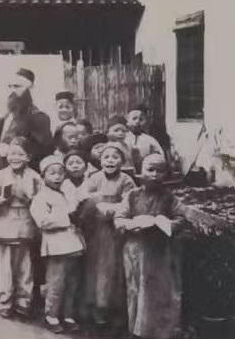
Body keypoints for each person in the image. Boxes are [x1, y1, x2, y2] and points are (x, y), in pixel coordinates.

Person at [114, 154, 188, 339]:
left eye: (160, 171)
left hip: (161, 251)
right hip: (136, 249)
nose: (155, 175)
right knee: (136, 289)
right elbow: (119, 218)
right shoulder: (132, 196)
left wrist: (167, 224)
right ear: (140, 172)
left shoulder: (168, 197)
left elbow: (180, 218)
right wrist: (132, 224)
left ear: (166, 174)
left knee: (162, 291)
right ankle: (137, 330)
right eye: (150, 169)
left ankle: (162, 331)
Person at [77, 142, 136, 331]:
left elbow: (131, 201)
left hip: (116, 230)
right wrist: (95, 202)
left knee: (114, 269)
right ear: (100, 161)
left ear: (122, 161)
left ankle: (114, 309)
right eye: (106, 157)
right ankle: (96, 310)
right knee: (96, 268)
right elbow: (83, 197)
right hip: (96, 230)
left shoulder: (126, 180)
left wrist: (113, 209)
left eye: (115, 157)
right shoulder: (94, 178)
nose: (110, 160)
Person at [0, 137, 42, 318]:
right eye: (12, 154)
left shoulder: (35, 177)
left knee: (25, 267)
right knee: (5, 268)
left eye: (20, 154)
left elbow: (43, 199)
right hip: (4, 223)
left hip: (25, 223)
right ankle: (5, 302)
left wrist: (32, 200)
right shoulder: (1, 175)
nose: (15, 158)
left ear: (29, 157)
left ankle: (23, 301)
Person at [30, 155, 85, 334]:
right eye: (52, 173)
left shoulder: (66, 193)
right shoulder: (40, 197)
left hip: (73, 245)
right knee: (56, 282)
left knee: (73, 281)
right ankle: (51, 315)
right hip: (55, 246)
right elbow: (43, 221)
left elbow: (75, 211)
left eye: (60, 173)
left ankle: (68, 314)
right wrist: (67, 217)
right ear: (43, 176)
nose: (57, 177)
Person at [0, 68, 53, 172]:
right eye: (10, 86)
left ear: (30, 89)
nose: (12, 90)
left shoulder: (39, 118)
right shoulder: (8, 115)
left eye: (17, 86)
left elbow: (43, 152)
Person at [125, 106, 164, 173]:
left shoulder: (150, 140)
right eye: (134, 118)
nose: (137, 121)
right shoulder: (124, 138)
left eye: (141, 119)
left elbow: (160, 155)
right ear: (127, 122)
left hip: (145, 172)